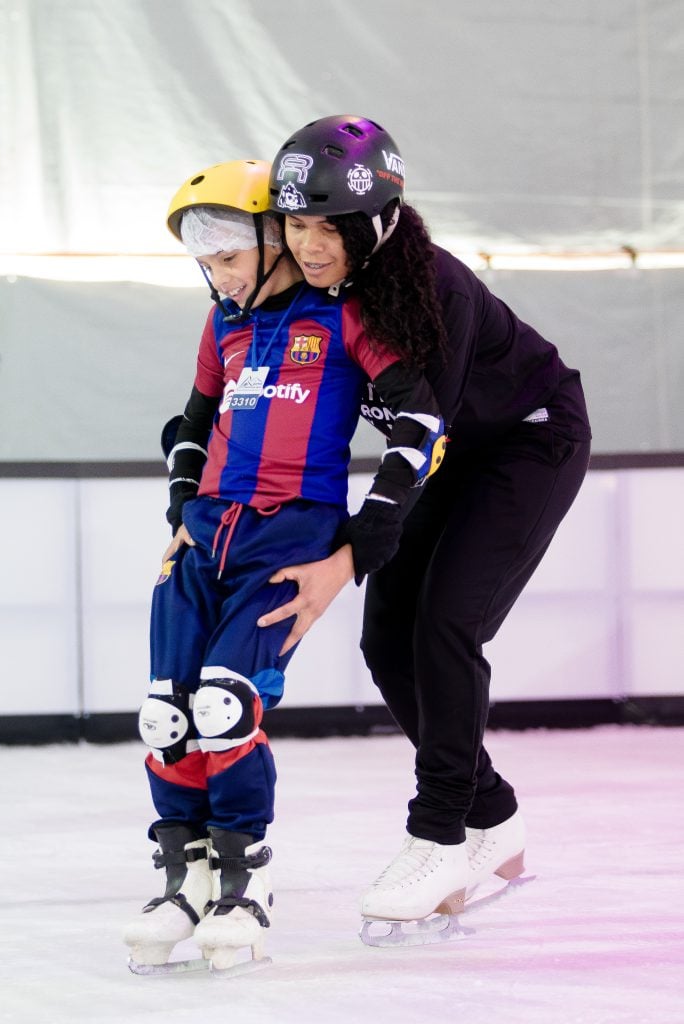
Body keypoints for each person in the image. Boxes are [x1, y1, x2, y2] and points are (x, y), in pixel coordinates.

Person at [258, 115, 592, 932]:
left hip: (527, 443)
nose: (309, 244)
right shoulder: (314, 291)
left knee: (447, 624)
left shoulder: (430, 286)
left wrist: (348, 557)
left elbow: (420, 433)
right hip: (449, 456)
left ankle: (441, 833)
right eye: (295, 224)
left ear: (376, 220)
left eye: (327, 226)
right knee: (385, 641)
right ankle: (494, 811)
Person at [123, 158, 445, 972]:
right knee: (168, 713)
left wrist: (362, 537)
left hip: (288, 539)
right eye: (206, 261)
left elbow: (417, 419)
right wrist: (179, 512)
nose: (218, 275)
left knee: (227, 707)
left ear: (274, 240)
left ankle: (244, 879)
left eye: (230, 256)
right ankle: (184, 875)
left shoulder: (341, 317)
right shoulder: (221, 326)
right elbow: (188, 429)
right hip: (205, 542)